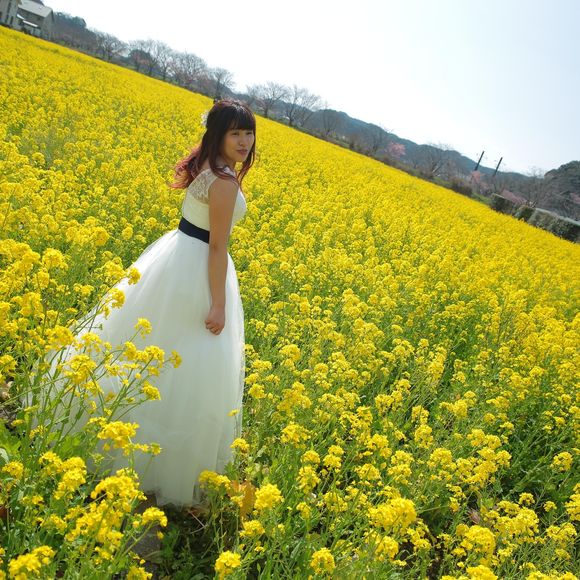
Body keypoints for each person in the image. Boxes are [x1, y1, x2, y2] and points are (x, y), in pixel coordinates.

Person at [26, 98, 256, 509]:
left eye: (248, 133)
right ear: (218, 135)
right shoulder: (224, 181)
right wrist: (218, 305)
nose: (244, 141)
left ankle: (105, 426)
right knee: (185, 362)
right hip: (199, 269)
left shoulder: (207, 167)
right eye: (234, 133)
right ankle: (154, 461)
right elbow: (217, 245)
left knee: (150, 349)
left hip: (176, 257)